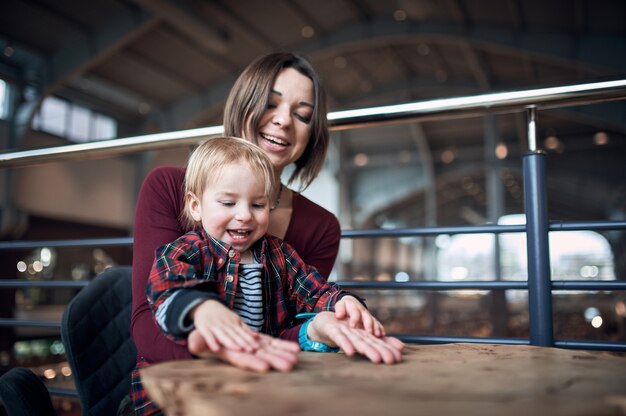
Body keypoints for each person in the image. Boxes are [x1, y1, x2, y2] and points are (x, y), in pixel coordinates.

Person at [131, 52, 401, 370]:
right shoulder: (169, 189)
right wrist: (214, 333)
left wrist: (323, 321)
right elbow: (151, 315)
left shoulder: (312, 234)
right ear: (194, 205)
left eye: (302, 115)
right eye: (271, 103)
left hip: (265, 381)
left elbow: (300, 310)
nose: (284, 120)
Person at [131, 136, 403, 414]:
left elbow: (314, 291)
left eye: (258, 205)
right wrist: (201, 307)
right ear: (195, 206)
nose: (245, 215)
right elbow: (167, 287)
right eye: (228, 203)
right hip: (174, 393)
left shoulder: (280, 255)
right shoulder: (185, 250)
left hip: (253, 385)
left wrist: (342, 303)